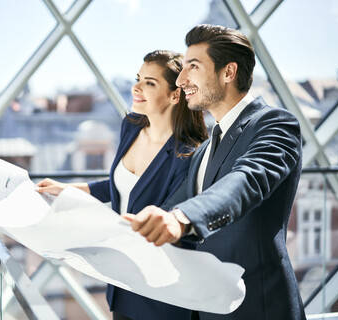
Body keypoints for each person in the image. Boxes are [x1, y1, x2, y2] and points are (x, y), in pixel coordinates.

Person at [123, 24, 306, 320]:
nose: (181, 80)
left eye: (192, 67)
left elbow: (246, 180)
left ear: (228, 72)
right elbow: (167, 208)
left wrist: (181, 218)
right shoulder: (203, 150)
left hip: (257, 308)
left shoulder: (275, 124)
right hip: (208, 308)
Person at [36, 50, 208, 320]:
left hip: (159, 292)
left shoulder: (186, 156)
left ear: (176, 95)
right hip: (121, 283)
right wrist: (68, 189)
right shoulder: (131, 126)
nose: (136, 87)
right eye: (138, 78)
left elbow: (166, 223)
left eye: (150, 83)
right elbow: (123, 185)